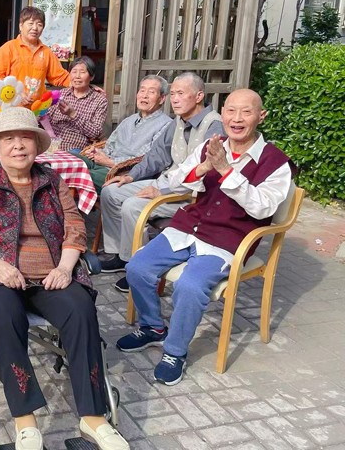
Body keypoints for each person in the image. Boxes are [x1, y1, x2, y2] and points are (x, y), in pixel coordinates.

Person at [0, 107, 129, 450]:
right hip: (0, 277)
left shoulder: (53, 181)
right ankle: (25, 422)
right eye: (9, 139)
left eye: (25, 138)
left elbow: (75, 228)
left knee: (80, 309)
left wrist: (65, 267)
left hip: (51, 275)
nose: (18, 146)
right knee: (5, 314)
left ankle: (93, 418)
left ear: (37, 144)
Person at [117, 89, 293, 385]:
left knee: (190, 285)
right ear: (222, 114)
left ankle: (175, 351)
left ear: (261, 116)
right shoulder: (212, 146)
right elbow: (176, 180)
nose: (237, 119)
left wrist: (226, 171)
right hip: (188, 227)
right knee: (137, 266)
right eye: (231, 111)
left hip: (230, 239)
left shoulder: (276, 163)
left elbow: (263, 207)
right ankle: (152, 327)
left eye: (246, 112)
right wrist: (205, 166)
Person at [98, 73, 224, 293]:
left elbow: (208, 175)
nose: (175, 99)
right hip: (167, 183)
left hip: (192, 194)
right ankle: (121, 255)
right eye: (173, 93)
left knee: (132, 206)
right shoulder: (177, 122)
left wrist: (161, 191)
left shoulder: (214, 126)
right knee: (111, 191)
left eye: (180, 93)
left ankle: (140, 267)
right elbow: (156, 156)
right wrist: (130, 176)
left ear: (199, 96)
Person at [73, 75, 172, 192]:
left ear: (162, 99)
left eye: (151, 92)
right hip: (103, 162)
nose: (144, 95)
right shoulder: (129, 120)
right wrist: (98, 152)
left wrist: (111, 162)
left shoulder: (166, 125)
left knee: (75, 175)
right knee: (67, 158)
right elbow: (110, 144)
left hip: (121, 173)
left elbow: (147, 158)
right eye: (142, 90)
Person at [0, 6, 70, 107]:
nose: (35, 28)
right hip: (11, 108)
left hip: (38, 109)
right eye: (30, 23)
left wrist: (83, 84)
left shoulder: (46, 52)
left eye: (39, 24)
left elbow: (61, 76)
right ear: (21, 26)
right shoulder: (7, 49)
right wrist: (16, 93)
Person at [46, 56, 108, 151]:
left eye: (82, 72)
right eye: (74, 72)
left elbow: (95, 132)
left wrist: (73, 114)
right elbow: (45, 117)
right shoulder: (61, 94)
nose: (77, 76)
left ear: (92, 77)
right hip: (51, 145)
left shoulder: (99, 100)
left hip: (75, 148)